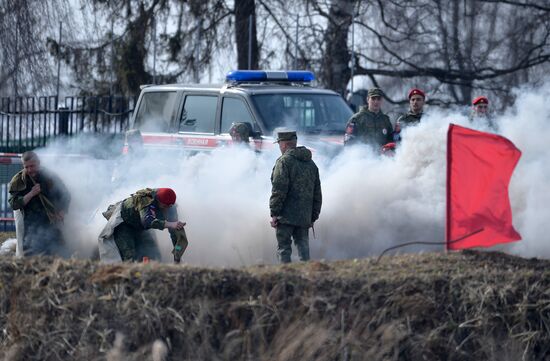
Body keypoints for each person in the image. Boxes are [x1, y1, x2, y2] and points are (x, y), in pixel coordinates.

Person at [270, 131, 322, 263]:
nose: (279, 147)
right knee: (304, 251)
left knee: (284, 250)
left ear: (285, 144)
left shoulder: (284, 162)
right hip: (304, 217)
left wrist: (274, 214)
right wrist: (312, 217)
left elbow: (278, 190)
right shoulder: (311, 164)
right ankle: (306, 278)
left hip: (286, 217)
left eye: (279, 144)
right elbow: (317, 194)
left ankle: (286, 278)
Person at [98, 187, 189, 263]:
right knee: (129, 258)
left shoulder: (170, 206)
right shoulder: (146, 200)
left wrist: (177, 256)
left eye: (169, 207)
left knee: (154, 256)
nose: (167, 209)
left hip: (140, 228)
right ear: (158, 201)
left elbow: (175, 234)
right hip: (124, 225)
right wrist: (169, 224)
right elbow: (147, 221)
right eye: (164, 206)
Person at [8, 151, 71, 256]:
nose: (29, 170)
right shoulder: (18, 181)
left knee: (56, 251)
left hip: (50, 222)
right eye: (26, 167)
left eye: (32, 166)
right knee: (31, 252)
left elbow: (65, 195)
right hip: (29, 225)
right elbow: (14, 204)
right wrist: (31, 194)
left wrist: (62, 211)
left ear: (38, 163)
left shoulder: (49, 177)